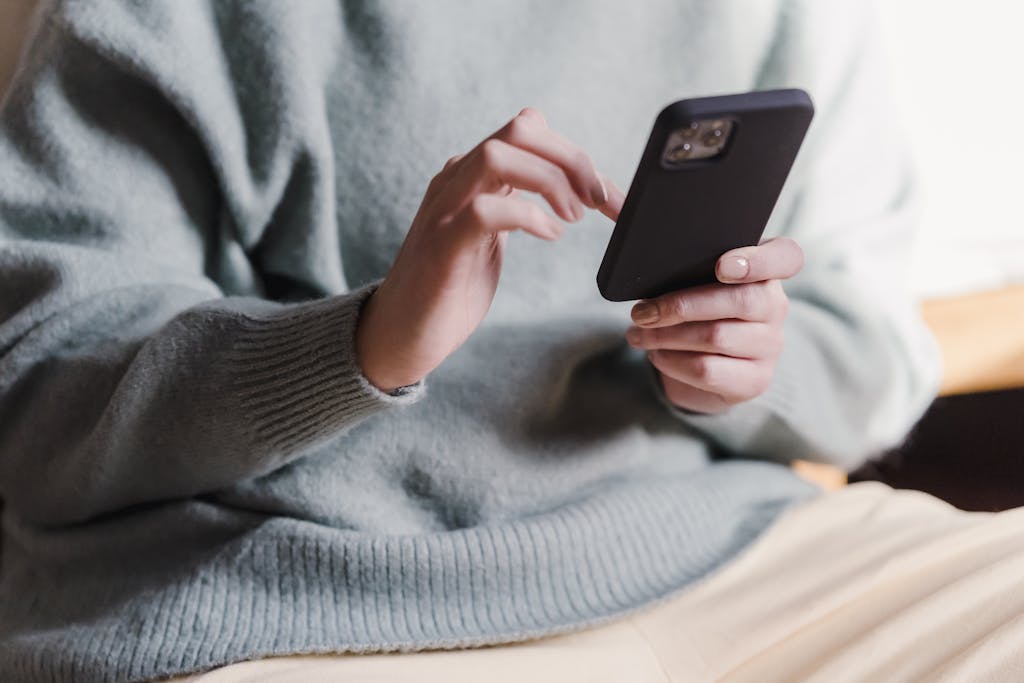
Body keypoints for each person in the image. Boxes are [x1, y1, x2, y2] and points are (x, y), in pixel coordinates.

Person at [3, 1, 1024, 682]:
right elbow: (37, 397)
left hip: (724, 550)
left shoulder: (782, 15)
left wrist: (752, 365)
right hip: (296, 601)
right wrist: (363, 343)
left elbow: (877, 360)